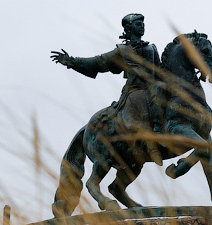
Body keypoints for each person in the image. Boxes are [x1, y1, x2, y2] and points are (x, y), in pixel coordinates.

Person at [50, 13, 164, 164]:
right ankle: (152, 144)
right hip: (135, 91)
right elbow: (98, 62)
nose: (142, 26)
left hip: (154, 87)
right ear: (129, 29)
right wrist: (72, 62)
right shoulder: (122, 51)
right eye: (138, 24)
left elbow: (162, 71)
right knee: (144, 101)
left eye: (143, 23)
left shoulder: (151, 48)